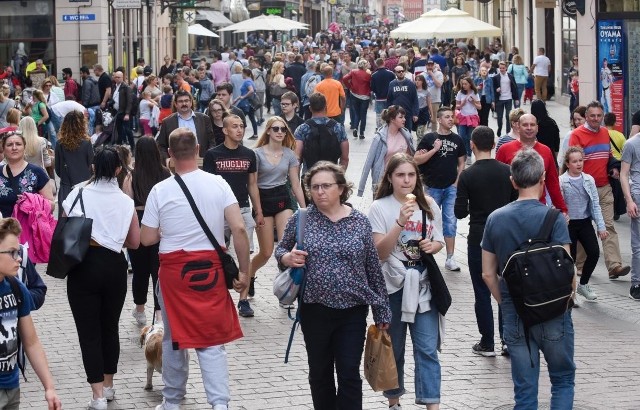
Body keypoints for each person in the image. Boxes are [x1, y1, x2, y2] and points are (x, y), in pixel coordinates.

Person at [140, 127, 250, 410]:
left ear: (170, 156)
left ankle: (172, 402)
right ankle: (219, 404)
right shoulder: (219, 184)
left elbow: (147, 238)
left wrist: (169, 228)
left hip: (174, 273)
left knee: (175, 339)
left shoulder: (160, 190)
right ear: (198, 150)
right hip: (210, 270)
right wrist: (244, 273)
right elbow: (238, 228)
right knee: (211, 341)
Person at [275, 161, 391, 409]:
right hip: (313, 309)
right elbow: (281, 250)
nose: (319, 192)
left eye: (326, 186)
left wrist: (382, 309)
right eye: (314, 187)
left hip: (353, 311)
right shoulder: (302, 218)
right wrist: (287, 258)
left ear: (340, 188)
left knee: (349, 372)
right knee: (319, 372)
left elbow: (372, 267)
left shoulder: (359, 221)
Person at [482, 149, 575, 409]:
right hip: (554, 311)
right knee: (563, 379)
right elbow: (569, 270)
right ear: (543, 178)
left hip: (516, 312)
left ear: (512, 180)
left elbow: (488, 273)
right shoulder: (554, 218)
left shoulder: (496, 219)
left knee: (524, 391)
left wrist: (507, 303)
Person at [63, 146, 140, 409]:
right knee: (110, 327)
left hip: (83, 265)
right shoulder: (126, 201)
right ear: (119, 169)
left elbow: (64, 227)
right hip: (115, 266)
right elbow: (135, 242)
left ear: (93, 167)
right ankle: (108, 385)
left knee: (89, 332)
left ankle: (97, 396)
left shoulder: (78, 193)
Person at [368, 153, 444, 410]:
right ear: (390, 177)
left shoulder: (430, 205)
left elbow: (439, 241)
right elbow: (379, 252)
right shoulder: (380, 207)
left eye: (411, 175)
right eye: (400, 175)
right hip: (392, 286)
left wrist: (432, 246)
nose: (406, 180)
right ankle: (394, 401)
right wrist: (400, 222)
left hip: (423, 284)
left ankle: (431, 403)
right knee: (394, 348)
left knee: (427, 348)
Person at [454, 126, 516, 357]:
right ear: (493, 145)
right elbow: (514, 202)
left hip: (479, 236)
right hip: (504, 236)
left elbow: (459, 212)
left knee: (482, 291)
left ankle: (487, 342)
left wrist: (474, 208)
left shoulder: (467, 175)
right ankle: (507, 340)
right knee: (504, 288)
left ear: (472, 145)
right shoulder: (507, 171)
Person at [244, 116, 306, 316]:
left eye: (283, 130)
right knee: (266, 251)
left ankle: (286, 291)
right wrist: (258, 209)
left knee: (286, 246)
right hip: (262, 200)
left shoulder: (289, 154)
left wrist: (305, 210)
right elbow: (251, 184)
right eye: (276, 129)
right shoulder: (256, 154)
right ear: (268, 131)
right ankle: (251, 275)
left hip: (282, 198)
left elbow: (295, 184)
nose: (280, 132)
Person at [0, 217, 62, 410]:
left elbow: (31, 341)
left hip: (11, 386)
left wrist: (49, 387)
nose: (19, 258)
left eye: (18, 251)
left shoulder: (16, 288)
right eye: (12, 253)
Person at [569, 101, 630, 280]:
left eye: (599, 116)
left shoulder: (605, 133)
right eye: (592, 116)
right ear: (586, 116)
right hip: (583, 189)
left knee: (608, 226)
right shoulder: (577, 135)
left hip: (604, 187)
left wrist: (614, 167)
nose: (596, 119)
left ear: (603, 116)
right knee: (582, 227)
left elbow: (608, 155)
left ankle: (614, 266)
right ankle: (580, 266)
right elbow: (573, 159)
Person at [203, 114, 263, 294]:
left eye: (242, 126)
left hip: (243, 208)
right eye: (235, 126)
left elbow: (252, 184)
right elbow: (208, 186)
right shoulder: (213, 154)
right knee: (220, 252)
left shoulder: (249, 154)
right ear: (225, 130)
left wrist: (258, 210)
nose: (239, 130)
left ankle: (243, 299)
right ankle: (222, 289)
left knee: (245, 254)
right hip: (219, 211)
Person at [123, 137, 171, 326]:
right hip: (160, 224)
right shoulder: (166, 174)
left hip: (139, 222)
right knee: (158, 271)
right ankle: (159, 313)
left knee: (139, 270)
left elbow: (127, 203)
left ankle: (140, 309)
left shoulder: (131, 176)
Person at [415, 107, 466, 272]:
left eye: (452, 117)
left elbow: (462, 162)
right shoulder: (429, 138)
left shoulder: (457, 139)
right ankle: (425, 256)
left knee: (450, 222)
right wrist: (434, 150)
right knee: (428, 221)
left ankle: (450, 258)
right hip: (432, 187)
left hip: (451, 187)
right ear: (439, 119)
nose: (451, 119)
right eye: (447, 117)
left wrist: (457, 182)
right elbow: (416, 160)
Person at [559, 146, 607, 301]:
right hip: (569, 225)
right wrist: (562, 218)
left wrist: (601, 226)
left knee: (594, 252)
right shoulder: (562, 181)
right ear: (567, 164)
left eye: (580, 160)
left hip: (585, 222)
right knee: (569, 260)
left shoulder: (588, 180)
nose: (579, 164)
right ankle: (570, 292)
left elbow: (595, 204)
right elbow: (558, 204)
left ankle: (583, 284)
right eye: (574, 161)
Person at [496, 113, 568, 214]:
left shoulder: (546, 151)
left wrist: (562, 209)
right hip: (511, 210)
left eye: (532, 125)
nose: (529, 128)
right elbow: (497, 182)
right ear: (518, 127)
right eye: (525, 125)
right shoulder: (504, 149)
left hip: (538, 208)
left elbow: (553, 183)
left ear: (537, 128)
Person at [358, 105, 415, 198]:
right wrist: (361, 188)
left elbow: (411, 158)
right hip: (383, 180)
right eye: (401, 117)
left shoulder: (406, 135)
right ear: (392, 119)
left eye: (404, 117)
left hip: (401, 180)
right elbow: (369, 162)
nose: (404, 119)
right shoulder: (379, 138)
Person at [0, 130, 53, 218]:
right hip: (4, 229)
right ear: (4, 149)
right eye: (9, 145)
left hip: (30, 228)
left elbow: (51, 205)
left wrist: (33, 201)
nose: (14, 148)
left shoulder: (37, 172)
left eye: (18, 144)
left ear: (24, 147)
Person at [294, 93, 349, 173]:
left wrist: (297, 181)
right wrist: (339, 178)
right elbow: (344, 158)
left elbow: (297, 157)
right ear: (326, 107)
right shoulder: (338, 128)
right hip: (331, 176)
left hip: (309, 177)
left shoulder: (302, 129)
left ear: (310, 108)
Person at [156, 90, 215, 160]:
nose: (184, 103)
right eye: (180, 101)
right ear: (175, 104)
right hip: (176, 165)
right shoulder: (167, 122)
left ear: (191, 102)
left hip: (201, 162)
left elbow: (212, 142)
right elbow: (161, 145)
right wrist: (167, 159)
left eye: (186, 101)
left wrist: (208, 157)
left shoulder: (204, 119)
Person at [54, 111, 94, 212]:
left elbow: (58, 169)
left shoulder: (60, 144)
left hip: (66, 186)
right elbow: (91, 165)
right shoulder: (87, 143)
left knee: (65, 221)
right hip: (84, 186)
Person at [620, 132, 640, 300]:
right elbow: (624, 174)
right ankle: (637, 283)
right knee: (638, 244)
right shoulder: (631, 144)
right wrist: (629, 200)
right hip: (638, 197)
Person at [604, 112, 627, 220]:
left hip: (607, 163)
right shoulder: (620, 135)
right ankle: (617, 208)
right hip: (618, 164)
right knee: (617, 188)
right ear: (614, 122)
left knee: (608, 187)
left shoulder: (602, 133)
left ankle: (610, 208)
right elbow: (625, 150)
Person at [342, 59, 371, 139]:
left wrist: (349, 87)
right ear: (365, 66)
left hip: (354, 94)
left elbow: (344, 78)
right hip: (365, 96)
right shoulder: (368, 74)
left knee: (357, 113)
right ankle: (361, 133)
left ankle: (355, 127)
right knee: (363, 114)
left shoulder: (353, 71)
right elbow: (371, 84)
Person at [455, 76, 481, 160]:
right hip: (463, 117)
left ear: (470, 84)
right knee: (462, 136)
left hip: (472, 117)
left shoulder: (475, 93)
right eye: (462, 84)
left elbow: (479, 107)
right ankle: (463, 153)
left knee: (470, 137)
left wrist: (473, 102)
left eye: (465, 84)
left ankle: (469, 155)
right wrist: (462, 104)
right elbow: (457, 106)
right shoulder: (460, 93)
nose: (463, 86)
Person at [387, 65, 419, 133]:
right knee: (396, 132)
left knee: (407, 133)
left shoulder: (410, 84)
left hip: (408, 113)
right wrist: (389, 113)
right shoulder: (392, 84)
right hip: (395, 113)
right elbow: (389, 99)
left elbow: (415, 99)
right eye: (399, 71)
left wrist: (415, 114)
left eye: (402, 71)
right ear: (395, 73)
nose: (401, 73)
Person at [491, 61, 518, 137]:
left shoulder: (510, 76)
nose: (502, 69)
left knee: (508, 116)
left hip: (508, 98)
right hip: (499, 99)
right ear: (498, 69)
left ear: (506, 68)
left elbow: (514, 87)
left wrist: (516, 98)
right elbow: (493, 88)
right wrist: (496, 90)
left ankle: (508, 132)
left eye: (503, 68)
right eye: (500, 68)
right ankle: (499, 128)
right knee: (499, 117)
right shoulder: (496, 77)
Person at [110, 71, 134, 148]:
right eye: (115, 77)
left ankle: (133, 146)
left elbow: (129, 101)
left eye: (118, 77)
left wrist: (127, 113)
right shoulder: (115, 86)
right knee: (119, 130)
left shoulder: (126, 87)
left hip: (124, 112)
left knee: (127, 130)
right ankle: (119, 145)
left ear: (122, 77)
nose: (116, 79)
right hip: (117, 112)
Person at [371, 58, 397, 128]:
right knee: (390, 114)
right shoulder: (391, 74)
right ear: (384, 63)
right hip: (389, 98)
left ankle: (380, 129)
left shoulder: (374, 75)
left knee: (379, 115)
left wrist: (377, 92)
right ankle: (389, 128)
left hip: (379, 98)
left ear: (376, 64)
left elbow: (372, 88)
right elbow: (395, 84)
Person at [233, 68, 258, 140]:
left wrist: (243, 97)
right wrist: (238, 98)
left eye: (242, 73)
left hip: (245, 104)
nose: (241, 75)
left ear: (244, 73)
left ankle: (238, 134)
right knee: (252, 118)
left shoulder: (247, 81)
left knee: (238, 118)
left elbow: (251, 91)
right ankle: (255, 134)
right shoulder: (251, 80)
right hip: (249, 103)